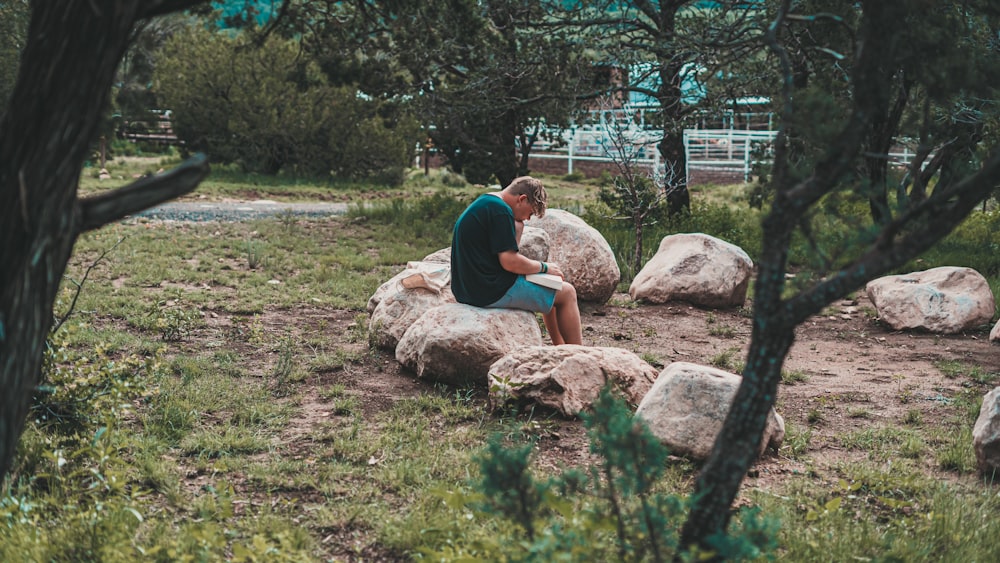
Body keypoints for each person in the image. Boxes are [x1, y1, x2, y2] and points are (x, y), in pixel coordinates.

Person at [450, 176, 582, 345]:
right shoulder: (501, 211)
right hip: (487, 290)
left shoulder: (488, 202)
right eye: (530, 212)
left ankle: (560, 348)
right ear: (522, 199)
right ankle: (579, 353)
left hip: (466, 288)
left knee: (552, 286)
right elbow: (509, 262)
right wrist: (544, 267)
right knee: (567, 292)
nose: (527, 218)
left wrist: (518, 228)